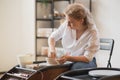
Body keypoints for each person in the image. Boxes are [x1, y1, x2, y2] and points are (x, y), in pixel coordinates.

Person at [48, 3, 100, 70]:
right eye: (67, 21)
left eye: (71, 22)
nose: (68, 24)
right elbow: (52, 37)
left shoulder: (92, 32)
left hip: (85, 62)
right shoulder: (67, 24)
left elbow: (87, 58)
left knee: (75, 68)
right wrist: (52, 49)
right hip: (69, 60)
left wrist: (68, 58)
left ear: (81, 20)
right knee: (52, 69)